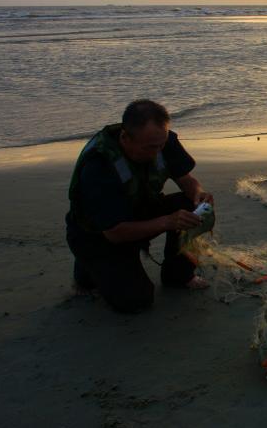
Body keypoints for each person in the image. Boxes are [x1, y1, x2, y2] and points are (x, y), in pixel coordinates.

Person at [65, 100, 214, 313]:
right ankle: (87, 271)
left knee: (191, 206)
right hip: (99, 234)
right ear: (125, 138)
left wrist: (199, 194)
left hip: (140, 212)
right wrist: (167, 222)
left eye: (161, 145)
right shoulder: (99, 165)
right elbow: (114, 233)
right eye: (150, 147)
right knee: (136, 300)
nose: (157, 151)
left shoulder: (161, 141)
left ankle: (178, 275)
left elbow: (186, 179)